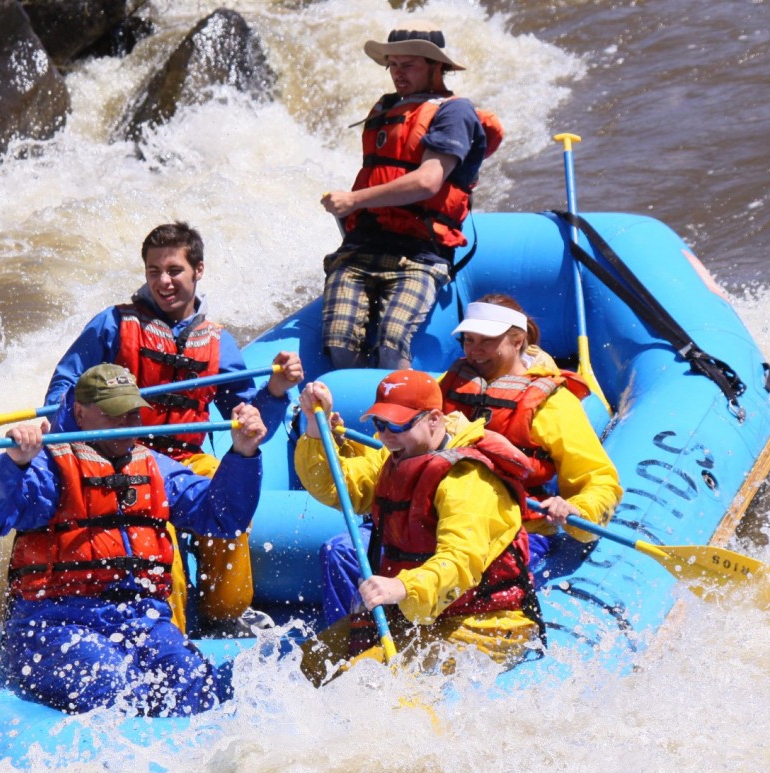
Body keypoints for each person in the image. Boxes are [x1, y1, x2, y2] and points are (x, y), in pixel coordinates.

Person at [0, 363, 268, 714]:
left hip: (142, 619)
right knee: (115, 688)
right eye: (114, 414)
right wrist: (12, 462)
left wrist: (243, 454)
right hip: (55, 624)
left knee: (192, 681)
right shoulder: (46, 468)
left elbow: (223, 517)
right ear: (80, 413)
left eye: (133, 414)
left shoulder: (155, 467)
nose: (127, 425)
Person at [45, 221, 304, 629]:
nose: (163, 282)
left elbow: (251, 426)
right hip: (121, 455)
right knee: (155, 531)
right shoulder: (112, 325)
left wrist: (274, 392)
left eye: (174, 271)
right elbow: (64, 385)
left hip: (186, 460)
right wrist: (63, 423)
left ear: (198, 270)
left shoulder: (219, 342)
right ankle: (170, 629)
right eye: (153, 271)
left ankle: (226, 616)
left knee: (228, 500)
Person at [317, 295, 623, 626]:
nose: (474, 351)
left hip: (507, 527)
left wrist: (579, 507)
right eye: (468, 340)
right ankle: (352, 641)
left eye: (486, 342)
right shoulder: (447, 387)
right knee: (343, 552)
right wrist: (338, 446)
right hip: (421, 512)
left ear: (517, 340)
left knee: (463, 573)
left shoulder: (553, 404)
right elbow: (389, 454)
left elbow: (600, 480)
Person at [294, 370, 541, 683]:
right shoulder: (396, 455)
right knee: (307, 666)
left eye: (397, 424)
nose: (385, 434)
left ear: (435, 419)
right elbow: (338, 486)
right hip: (416, 612)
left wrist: (403, 587)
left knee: (359, 681)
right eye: (379, 423)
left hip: (485, 621)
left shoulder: (467, 480)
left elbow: (460, 562)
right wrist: (317, 428)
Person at [319, 24, 502, 371]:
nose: (398, 74)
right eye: (393, 65)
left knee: (392, 344)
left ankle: (405, 417)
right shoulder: (387, 109)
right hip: (364, 245)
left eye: (409, 65)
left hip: (420, 252)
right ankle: (356, 412)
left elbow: (428, 182)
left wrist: (354, 200)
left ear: (437, 67)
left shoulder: (454, 112)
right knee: (339, 344)